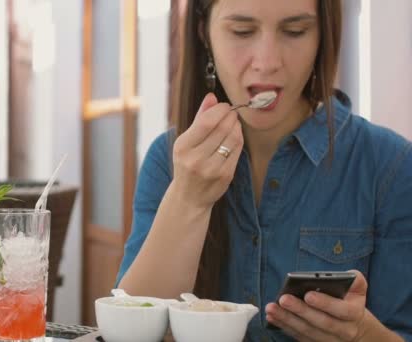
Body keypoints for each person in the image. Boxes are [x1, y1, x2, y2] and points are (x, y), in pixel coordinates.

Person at [116, 0, 411, 341]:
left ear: (322, 38)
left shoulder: (391, 165)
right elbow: (130, 331)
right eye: (242, 31)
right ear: (204, 33)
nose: (268, 62)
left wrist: (361, 333)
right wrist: (188, 199)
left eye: (294, 31)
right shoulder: (167, 160)